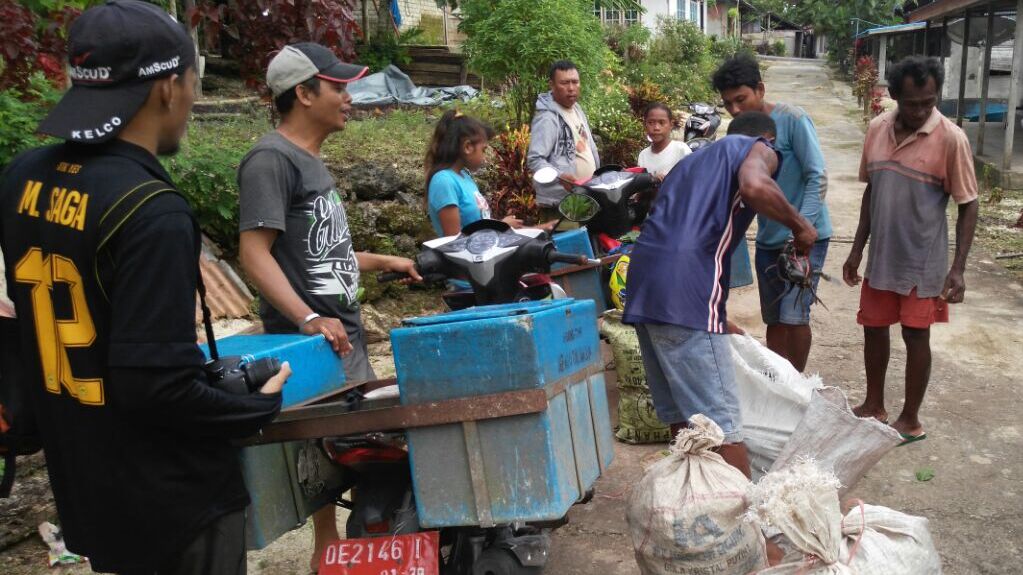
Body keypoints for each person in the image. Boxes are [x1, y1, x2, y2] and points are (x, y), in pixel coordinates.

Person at [0, 2, 289, 573]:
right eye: (192, 80)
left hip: (90, 489)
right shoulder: (149, 210)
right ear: (166, 88)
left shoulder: (21, 178)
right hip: (173, 503)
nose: (194, 99)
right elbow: (156, 388)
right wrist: (254, 406)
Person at [236, 42, 421, 571]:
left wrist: (386, 260)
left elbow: (326, 253)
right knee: (325, 462)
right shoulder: (270, 160)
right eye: (338, 87)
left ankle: (351, 555)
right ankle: (331, 557)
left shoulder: (309, 161)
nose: (349, 97)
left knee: (350, 456)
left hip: (344, 336)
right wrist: (307, 317)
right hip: (316, 347)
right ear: (303, 92)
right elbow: (254, 252)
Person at [622, 112, 817, 479]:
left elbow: (680, 227)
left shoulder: (690, 161)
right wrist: (802, 226)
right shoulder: (757, 147)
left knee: (684, 420)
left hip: (645, 285)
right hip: (685, 290)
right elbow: (756, 188)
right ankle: (747, 528)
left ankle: (692, 504)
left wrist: (716, 316)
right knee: (721, 426)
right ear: (766, 140)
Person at [843, 56, 978, 445]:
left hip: (923, 263)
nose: (920, 111)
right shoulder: (876, 130)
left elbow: (968, 203)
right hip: (881, 258)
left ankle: (910, 418)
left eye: (929, 102)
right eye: (912, 102)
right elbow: (873, 191)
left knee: (917, 336)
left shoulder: (951, 138)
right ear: (894, 95)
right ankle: (874, 405)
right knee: (873, 330)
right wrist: (856, 250)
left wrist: (958, 268)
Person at [713, 54, 832, 372]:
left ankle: (798, 388)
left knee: (795, 317)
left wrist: (802, 228)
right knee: (775, 319)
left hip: (806, 236)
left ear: (760, 90)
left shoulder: (792, 119)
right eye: (728, 104)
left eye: (741, 99)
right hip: (767, 241)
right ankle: (777, 385)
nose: (735, 110)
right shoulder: (739, 132)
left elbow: (817, 175)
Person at [425, 110, 521, 236]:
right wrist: (501, 227)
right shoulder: (443, 181)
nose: (485, 157)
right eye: (484, 150)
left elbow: (478, 226)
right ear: (467, 147)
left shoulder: (465, 176)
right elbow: (455, 242)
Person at [527, 60, 600, 210]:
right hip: (561, 204)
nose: (571, 88)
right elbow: (535, 159)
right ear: (552, 85)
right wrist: (560, 177)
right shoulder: (547, 118)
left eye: (575, 82)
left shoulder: (577, 109)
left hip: (584, 197)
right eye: (565, 83)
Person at [637, 103, 691, 181]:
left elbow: (691, 180)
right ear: (645, 125)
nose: (656, 128)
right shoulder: (643, 155)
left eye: (662, 123)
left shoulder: (681, 150)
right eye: (651, 123)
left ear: (671, 124)